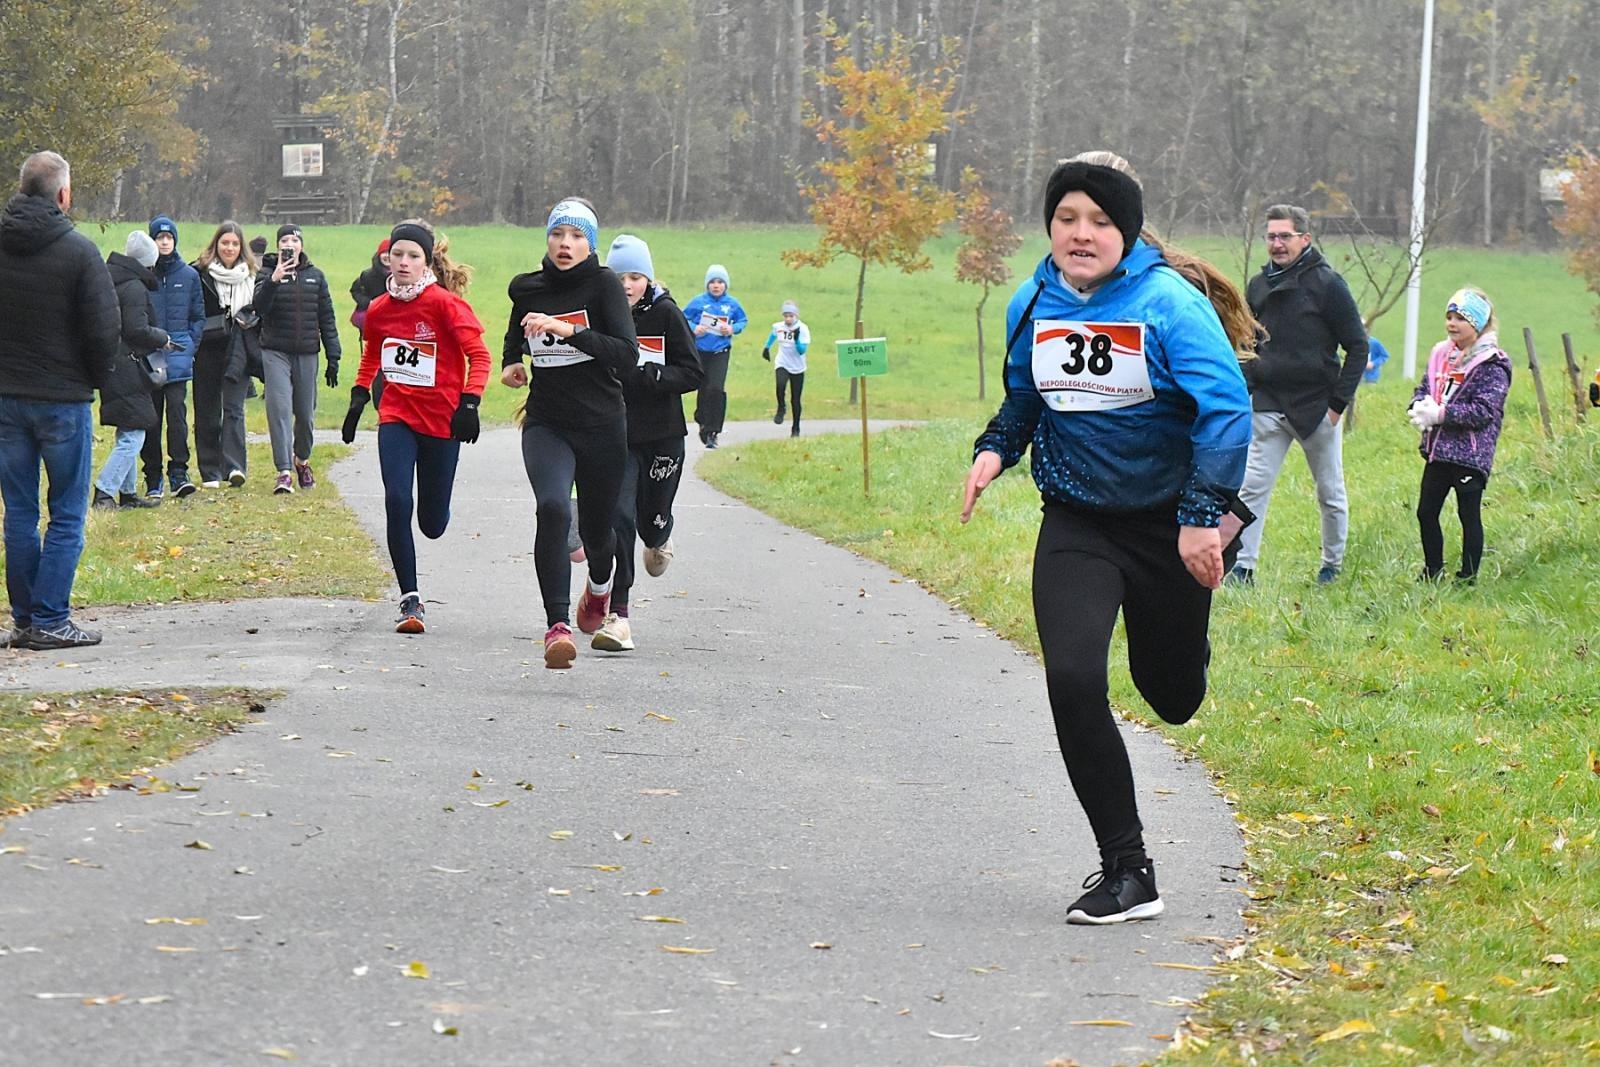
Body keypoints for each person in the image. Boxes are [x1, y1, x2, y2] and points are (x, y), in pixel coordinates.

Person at [960, 153, 1253, 924]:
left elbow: (1228, 414)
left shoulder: (1167, 305)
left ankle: (1181, 646)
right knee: (1074, 678)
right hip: (1078, 522)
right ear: (1049, 226)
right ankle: (1128, 869)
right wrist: (995, 449)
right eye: (1066, 219)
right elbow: (1024, 396)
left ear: (1126, 230)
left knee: (1173, 696)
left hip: (1168, 527)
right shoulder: (1034, 300)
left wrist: (1200, 516)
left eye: (1097, 221)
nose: (1080, 234)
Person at [501, 198, 637, 669]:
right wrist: (512, 362)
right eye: (559, 234)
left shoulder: (603, 286)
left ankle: (600, 588)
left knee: (600, 535)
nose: (566, 244)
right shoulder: (527, 287)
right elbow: (517, 332)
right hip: (548, 423)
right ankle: (556, 627)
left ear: (590, 243)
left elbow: (625, 353)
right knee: (554, 508)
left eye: (577, 236)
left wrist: (566, 330)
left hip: (602, 425)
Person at [342, 221, 490, 633]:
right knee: (396, 500)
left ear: (426, 262)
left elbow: (479, 355)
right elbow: (374, 352)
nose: (403, 263)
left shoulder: (444, 305)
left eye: (413, 256)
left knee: (431, 523)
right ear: (387, 258)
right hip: (397, 416)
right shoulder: (379, 308)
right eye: (397, 255)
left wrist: (470, 401)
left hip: (442, 421)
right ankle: (410, 599)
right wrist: (358, 395)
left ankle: (436, 512)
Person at [0, 150, 119, 649]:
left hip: (7, 397)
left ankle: (25, 619)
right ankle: (51, 618)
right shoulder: (79, 251)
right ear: (64, 195)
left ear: (22, 188)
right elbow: (104, 330)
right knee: (67, 512)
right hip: (63, 398)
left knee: (20, 513)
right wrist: (95, 380)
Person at [1228, 204, 1369, 586]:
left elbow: (1358, 347)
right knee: (1251, 488)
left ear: (1305, 239)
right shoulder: (1257, 287)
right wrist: (1249, 386)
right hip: (1268, 404)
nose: (1276, 244)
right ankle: (1243, 566)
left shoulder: (1328, 285)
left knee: (1329, 491)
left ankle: (1332, 566)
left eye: (1284, 236)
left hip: (1317, 406)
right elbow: (1246, 341)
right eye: (1271, 236)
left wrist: (1338, 406)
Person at [592, 234, 703, 652]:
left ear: (647, 280)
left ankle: (660, 532)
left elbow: (693, 373)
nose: (626, 285)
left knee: (649, 520)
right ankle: (618, 615)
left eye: (635, 277)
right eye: (620, 276)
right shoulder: (602, 314)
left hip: (662, 435)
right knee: (619, 518)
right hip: (616, 432)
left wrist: (655, 376)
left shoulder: (667, 315)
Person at [1407, 288, 1511, 583]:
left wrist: (1442, 415)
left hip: (1470, 454)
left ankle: (1468, 577)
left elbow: (1483, 411)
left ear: (1477, 324)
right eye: (1449, 317)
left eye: (1461, 318)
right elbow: (1425, 386)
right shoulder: (1441, 355)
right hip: (1438, 451)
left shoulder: (1493, 364)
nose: (1452, 323)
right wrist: (1419, 405)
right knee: (1426, 512)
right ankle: (1432, 570)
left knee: (1468, 515)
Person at [253, 223, 340, 494]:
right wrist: (274, 279)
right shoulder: (266, 273)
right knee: (278, 409)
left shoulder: (316, 276)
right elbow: (258, 308)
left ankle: (301, 460)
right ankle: (283, 471)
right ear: (277, 245)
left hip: (306, 351)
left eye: (294, 240)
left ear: (301, 245)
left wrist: (333, 356)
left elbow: (327, 317)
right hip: (275, 350)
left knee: (305, 413)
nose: (289, 245)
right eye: (284, 241)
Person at [93, 232, 166, 511]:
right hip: (129, 365)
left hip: (110, 362)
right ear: (147, 262)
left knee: (128, 427)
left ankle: (128, 493)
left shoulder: (109, 280)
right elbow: (137, 329)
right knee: (136, 431)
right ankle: (105, 491)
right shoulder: (134, 287)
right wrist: (162, 337)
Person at [191, 220, 258, 488]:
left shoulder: (253, 275)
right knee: (206, 409)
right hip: (207, 347)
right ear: (216, 244)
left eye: (234, 243)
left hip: (239, 348)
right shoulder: (198, 273)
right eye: (225, 243)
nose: (229, 248)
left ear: (241, 247)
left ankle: (234, 466)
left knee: (234, 409)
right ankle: (210, 470)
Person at [141, 215, 204, 500]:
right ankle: (153, 476)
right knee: (151, 418)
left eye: (168, 237)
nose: (164, 242)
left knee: (177, 416)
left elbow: (198, 316)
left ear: (174, 240)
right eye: (159, 237)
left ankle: (179, 471)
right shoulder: (144, 274)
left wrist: (190, 344)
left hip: (178, 354)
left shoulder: (189, 276)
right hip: (149, 354)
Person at [682, 263, 746, 448]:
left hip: (721, 351)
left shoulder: (732, 304)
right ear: (707, 285)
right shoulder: (698, 302)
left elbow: (743, 320)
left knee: (716, 389)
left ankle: (713, 431)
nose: (716, 285)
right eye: (712, 282)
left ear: (725, 285)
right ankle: (702, 418)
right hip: (700, 351)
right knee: (703, 388)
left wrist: (732, 328)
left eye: (720, 282)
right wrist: (695, 328)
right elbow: (683, 317)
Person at [350, 237, 392, 409]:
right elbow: (355, 290)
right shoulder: (367, 275)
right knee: (376, 366)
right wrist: (368, 304)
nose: (388, 258)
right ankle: (380, 405)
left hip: (395, 325)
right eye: (385, 255)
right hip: (375, 325)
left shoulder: (402, 275)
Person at [762, 299, 810, 437]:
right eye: (786, 316)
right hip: (782, 362)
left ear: (796, 316)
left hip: (798, 367)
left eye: (791, 316)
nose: (788, 319)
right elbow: (772, 336)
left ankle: (796, 427)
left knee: (796, 399)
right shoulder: (778, 327)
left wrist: (796, 340)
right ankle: (781, 407)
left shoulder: (803, 329)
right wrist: (766, 348)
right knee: (780, 385)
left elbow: (802, 351)